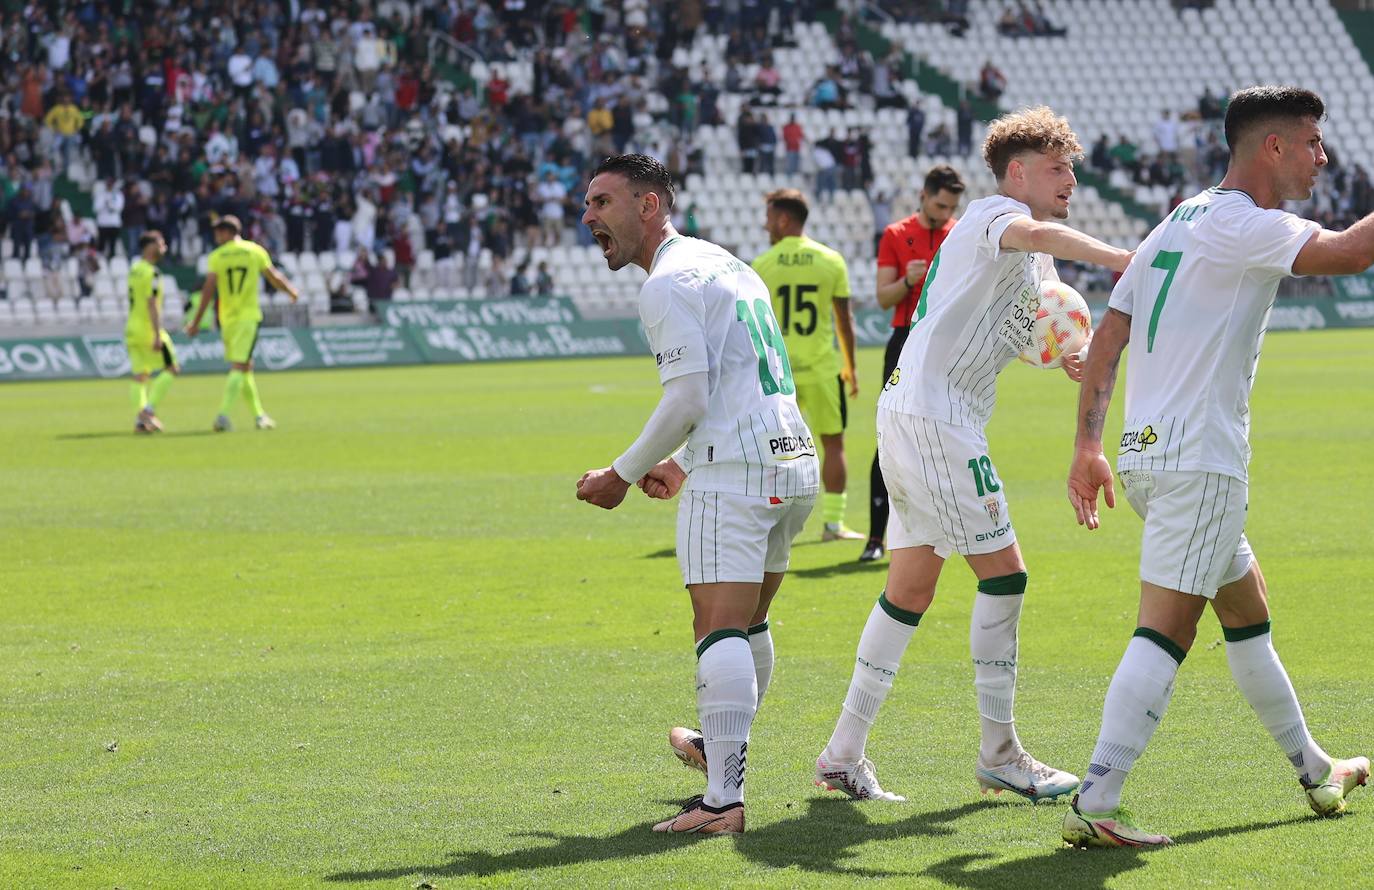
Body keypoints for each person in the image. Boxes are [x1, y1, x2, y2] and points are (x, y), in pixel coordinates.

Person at [1062, 85, 1369, 848]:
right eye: (1312, 142)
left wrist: (1087, 446)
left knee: (1247, 610)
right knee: (1165, 629)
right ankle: (1098, 799)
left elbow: (1110, 333)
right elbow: (1353, 252)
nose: (1322, 157)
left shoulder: (1177, 220)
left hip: (1150, 457)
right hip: (1199, 460)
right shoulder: (1245, 223)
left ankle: (1315, 769)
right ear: (1273, 147)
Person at [813, 107, 1132, 803]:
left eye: (1071, 168)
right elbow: (1041, 233)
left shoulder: (1030, 253)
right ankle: (1000, 752)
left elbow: (1023, 325)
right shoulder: (992, 213)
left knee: (911, 588)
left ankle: (841, 753)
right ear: (1017, 173)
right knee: (1006, 576)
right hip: (936, 419)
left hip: (920, 413)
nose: (1070, 179)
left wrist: (1064, 356)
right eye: (1056, 168)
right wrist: (1122, 259)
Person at [575, 155, 818, 835]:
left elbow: (688, 396)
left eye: (602, 201)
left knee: (717, 627)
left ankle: (722, 801)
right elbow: (737, 377)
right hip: (788, 456)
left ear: (648, 205)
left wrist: (621, 474)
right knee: (747, 622)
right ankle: (720, 754)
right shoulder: (727, 263)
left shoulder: (667, 284)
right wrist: (679, 460)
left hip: (736, 469)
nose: (589, 216)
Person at [860, 164, 965, 563]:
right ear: (924, 195)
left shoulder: (958, 233)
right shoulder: (896, 235)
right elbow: (883, 298)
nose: (944, 213)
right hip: (905, 340)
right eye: (940, 204)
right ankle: (875, 538)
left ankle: (946, 531)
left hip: (947, 344)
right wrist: (907, 281)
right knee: (891, 437)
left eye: (951, 206)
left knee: (947, 433)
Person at [753, 188, 862, 544]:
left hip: (777, 374)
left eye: (769, 217)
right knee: (833, 444)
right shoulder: (831, 260)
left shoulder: (762, 265)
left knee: (771, 447)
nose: (765, 224)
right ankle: (833, 524)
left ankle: (767, 520)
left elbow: (753, 323)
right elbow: (844, 321)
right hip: (821, 369)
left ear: (784, 219)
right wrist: (851, 367)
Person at [186, 215, 301, 432]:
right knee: (241, 366)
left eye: (219, 231)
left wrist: (197, 321)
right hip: (247, 317)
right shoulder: (254, 251)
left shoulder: (217, 257)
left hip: (227, 319)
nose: (216, 235)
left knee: (244, 366)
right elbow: (273, 276)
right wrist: (291, 291)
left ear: (230, 232)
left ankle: (259, 416)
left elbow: (208, 290)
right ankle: (223, 415)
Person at [125, 230, 179, 433]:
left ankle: (141, 421)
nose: (164, 247)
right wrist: (157, 334)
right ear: (150, 247)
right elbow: (151, 304)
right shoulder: (152, 272)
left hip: (132, 328)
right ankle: (148, 411)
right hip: (147, 329)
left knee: (139, 376)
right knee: (172, 368)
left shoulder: (134, 269)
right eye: (161, 243)